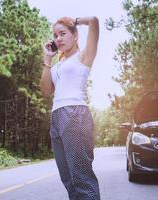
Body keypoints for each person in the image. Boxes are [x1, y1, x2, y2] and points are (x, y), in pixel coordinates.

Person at [39, 16, 100, 200]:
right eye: (55, 35)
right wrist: (47, 59)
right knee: (68, 178)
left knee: (81, 177)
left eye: (63, 33)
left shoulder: (83, 56)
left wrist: (74, 20)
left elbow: (94, 21)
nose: (58, 38)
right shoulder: (57, 65)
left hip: (75, 114)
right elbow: (45, 91)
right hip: (56, 117)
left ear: (75, 36)